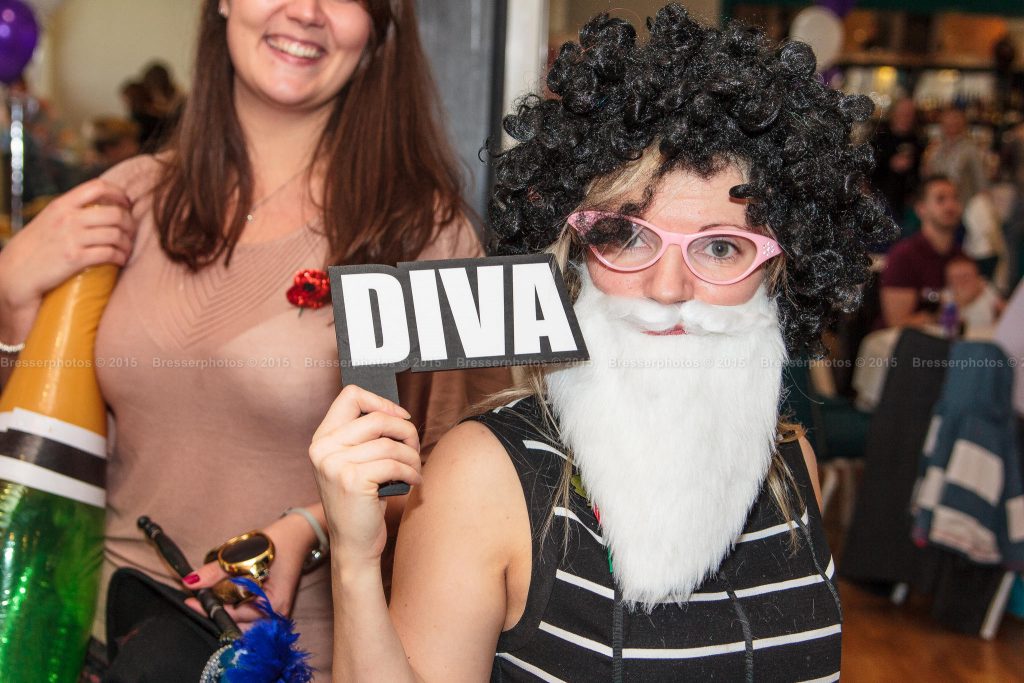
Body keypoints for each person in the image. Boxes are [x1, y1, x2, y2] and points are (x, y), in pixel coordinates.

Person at [309, 6, 894, 681]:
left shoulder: (794, 467)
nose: (667, 285)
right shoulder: (486, 478)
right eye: (628, 235)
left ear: (781, 267)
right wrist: (354, 562)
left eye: (723, 245)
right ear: (575, 250)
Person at [0, 0, 505, 677]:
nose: (305, 11)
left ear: (381, 26)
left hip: (291, 660)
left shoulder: (425, 234)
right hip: (97, 645)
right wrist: (9, 303)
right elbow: (40, 446)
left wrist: (314, 528)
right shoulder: (132, 198)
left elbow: (463, 478)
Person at [879, 175, 964, 328]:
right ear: (921, 209)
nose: (950, 205)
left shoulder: (961, 256)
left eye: (955, 198)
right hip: (901, 346)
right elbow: (897, 323)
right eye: (941, 199)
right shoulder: (904, 256)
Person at [871, 97, 925, 226]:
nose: (906, 117)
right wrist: (890, 163)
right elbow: (868, 169)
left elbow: (920, 171)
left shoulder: (918, 140)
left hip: (909, 204)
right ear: (894, 113)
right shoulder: (880, 139)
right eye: (903, 112)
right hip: (882, 200)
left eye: (910, 114)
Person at [922, 107, 988, 206]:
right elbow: (928, 174)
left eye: (955, 120)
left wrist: (982, 204)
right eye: (947, 121)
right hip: (939, 204)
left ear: (963, 124)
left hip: (963, 203)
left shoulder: (970, 149)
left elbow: (980, 180)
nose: (951, 124)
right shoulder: (937, 148)